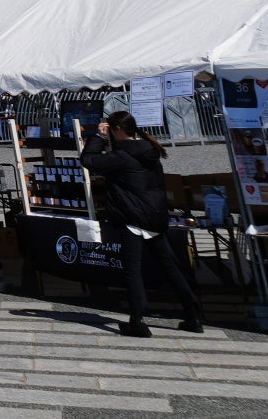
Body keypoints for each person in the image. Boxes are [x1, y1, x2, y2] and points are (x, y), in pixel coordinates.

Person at [81, 111, 203, 336]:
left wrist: (97, 136)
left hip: (132, 216)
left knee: (132, 270)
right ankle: (192, 313)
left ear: (116, 130)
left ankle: (137, 320)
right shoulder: (149, 149)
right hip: (154, 214)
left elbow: (88, 160)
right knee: (169, 265)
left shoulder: (123, 155)